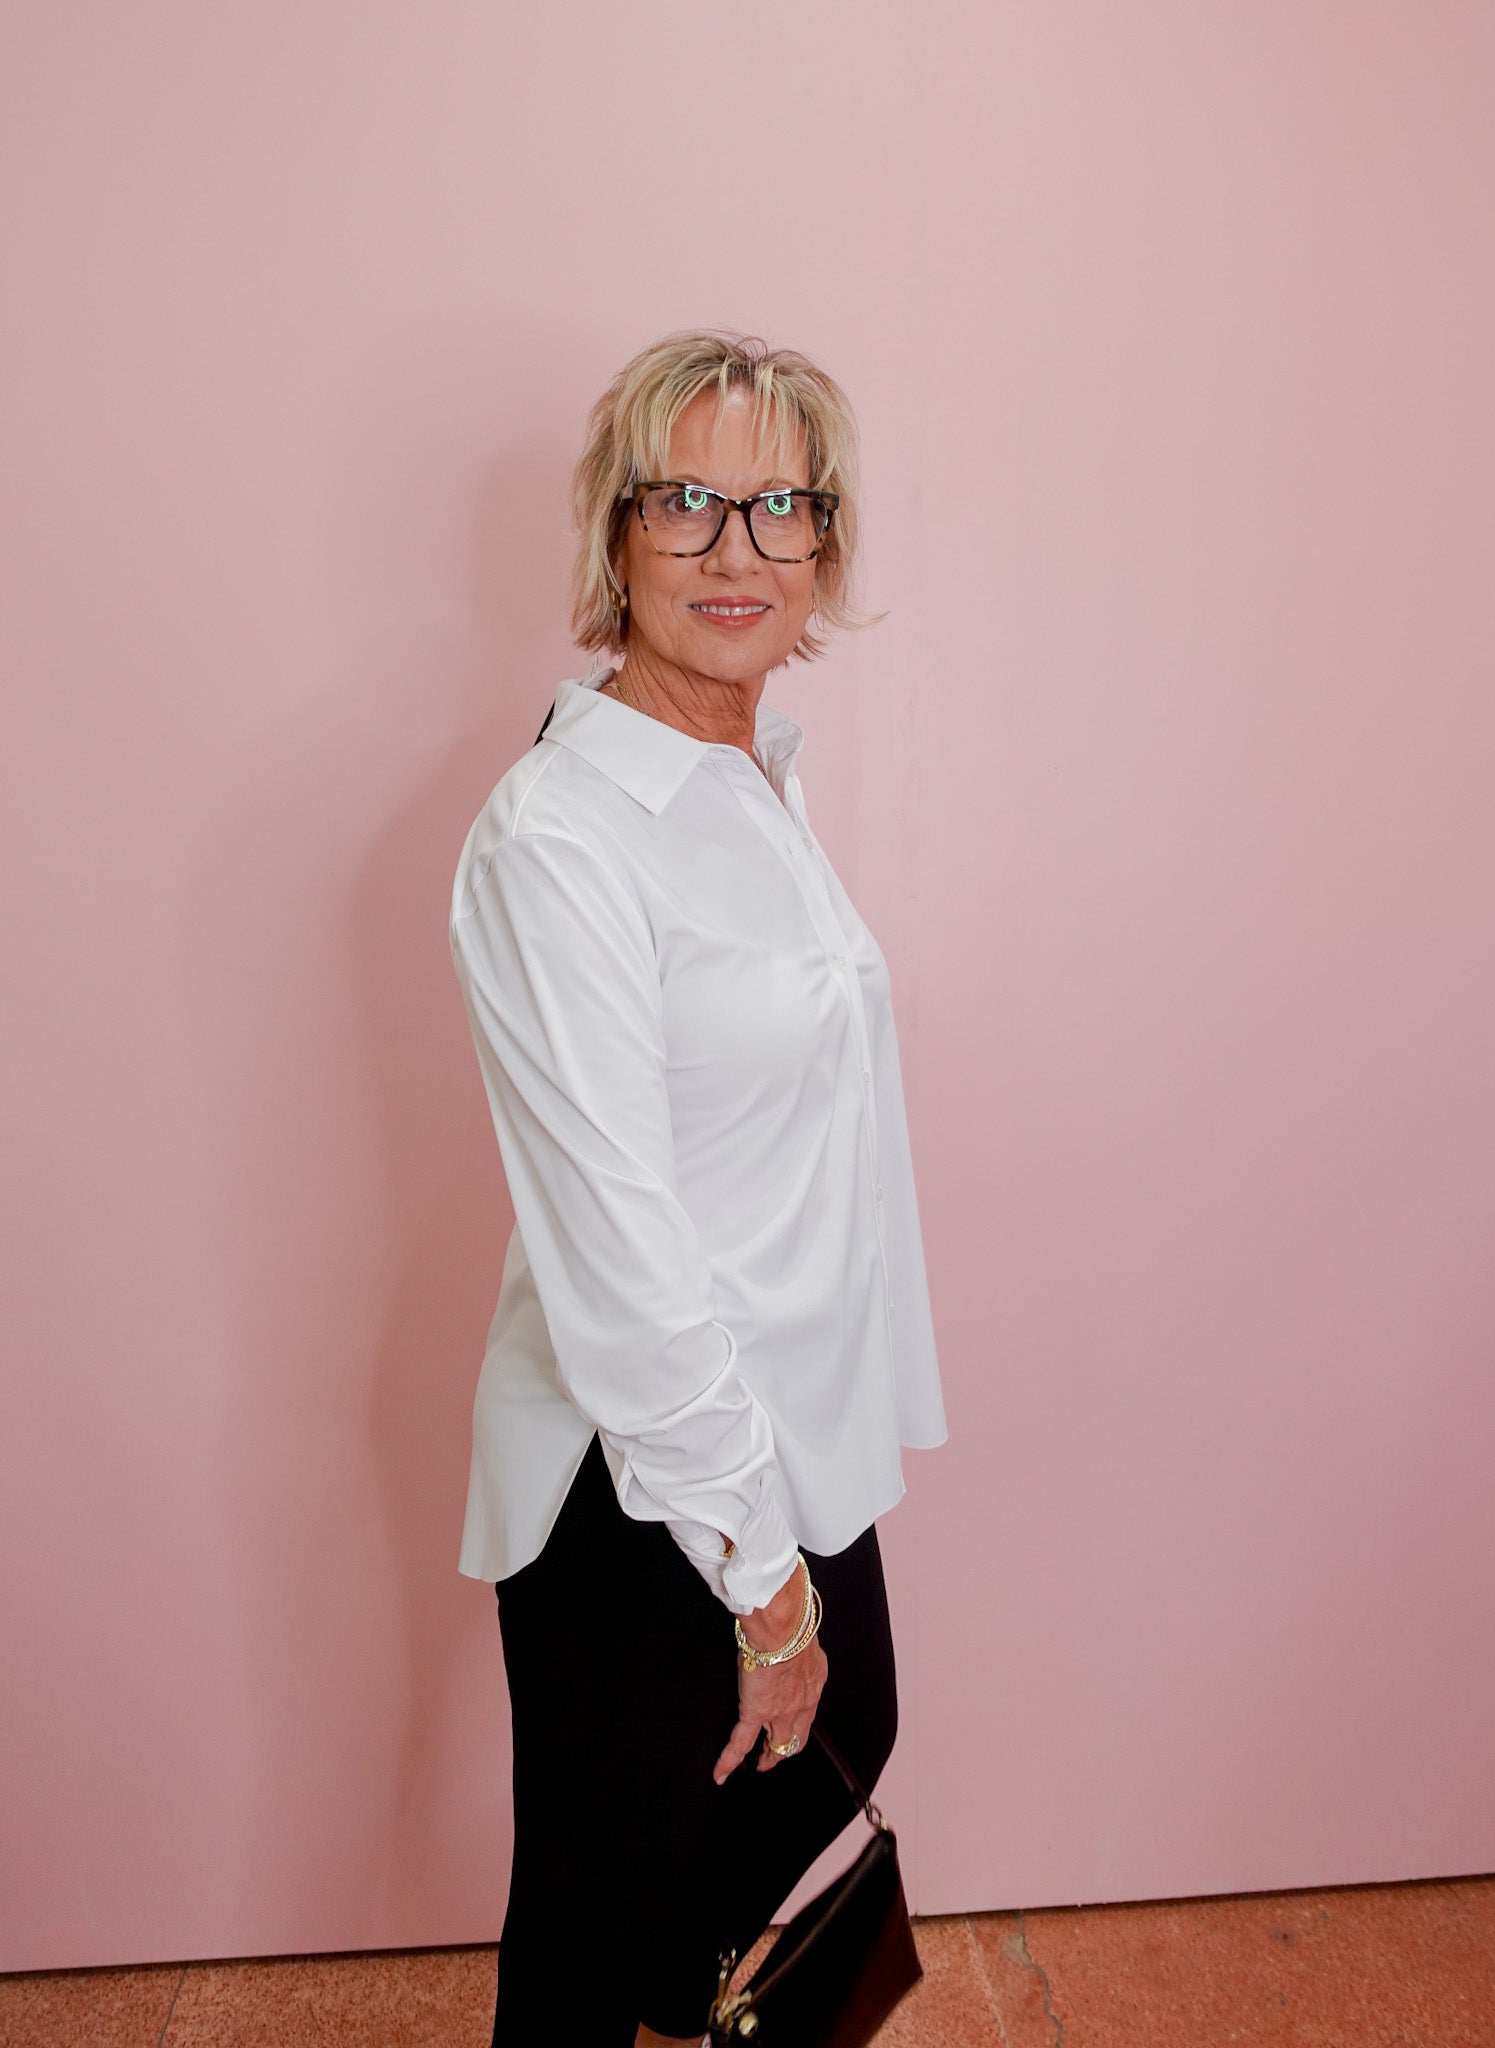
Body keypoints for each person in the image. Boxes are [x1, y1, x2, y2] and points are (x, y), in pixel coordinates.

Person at [448, 330, 948, 2047]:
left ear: (824, 547)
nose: (737, 546)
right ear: (619, 533)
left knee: (842, 1731)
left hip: (786, 1414)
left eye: (779, 506)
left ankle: (684, 1988)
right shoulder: (560, 835)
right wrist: (760, 1574)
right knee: (588, 1933)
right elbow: (622, 1248)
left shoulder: (750, 775)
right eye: (688, 501)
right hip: (638, 1464)